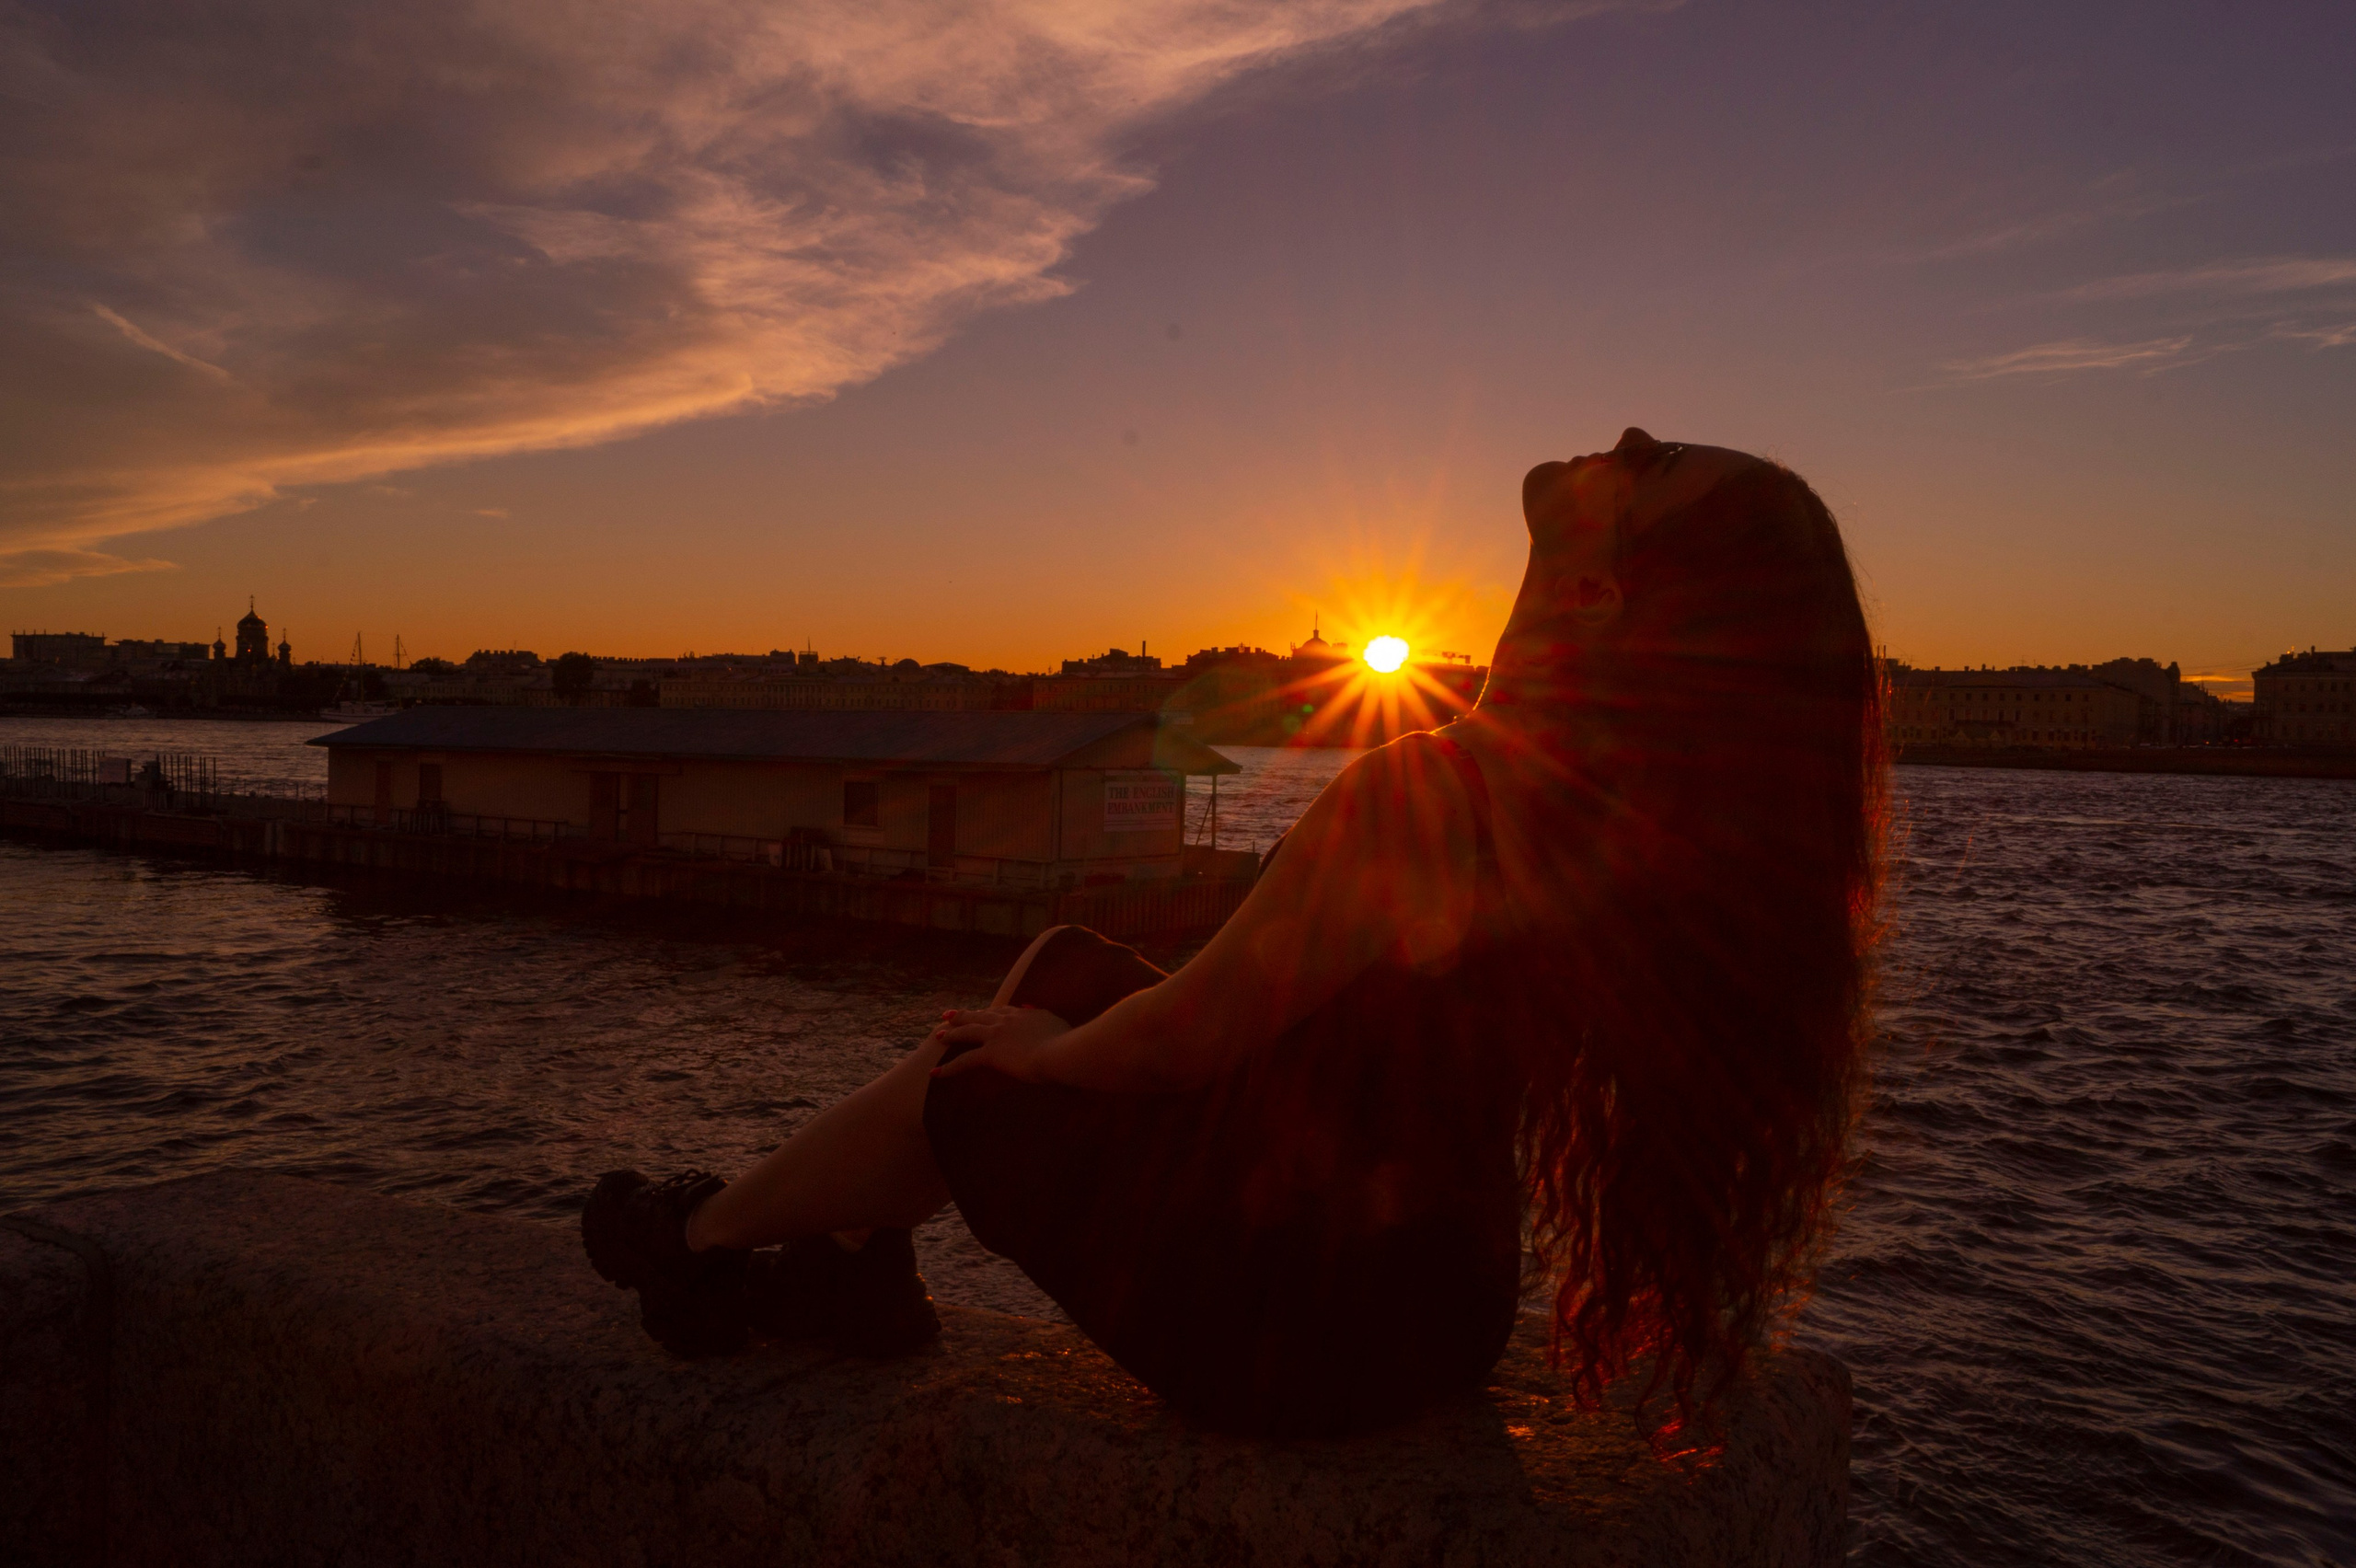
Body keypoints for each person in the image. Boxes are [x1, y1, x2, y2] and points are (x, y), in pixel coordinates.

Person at [583, 428, 1885, 1440]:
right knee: (1069, 969)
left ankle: (695, 1242)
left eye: (1652, 468)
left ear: (1600, 591)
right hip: (1434, 1306)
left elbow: (1188, 1036)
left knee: (979, 1073)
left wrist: (1034, 1059)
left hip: (1299, 1323)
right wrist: (1060, 1022)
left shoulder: (1440, 786)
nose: (1634, 432)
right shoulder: (1578, 814)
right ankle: (847, 1264)